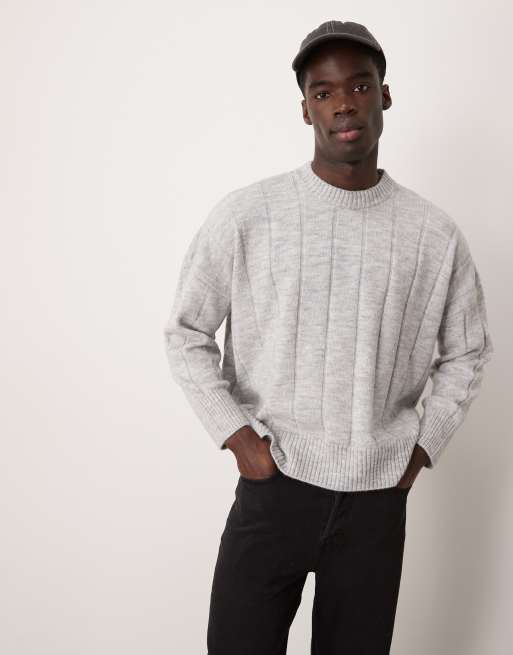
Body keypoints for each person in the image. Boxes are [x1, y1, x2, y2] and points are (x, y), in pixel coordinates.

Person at [163, 19, 494, 655]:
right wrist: (240, 438)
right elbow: (186, 332)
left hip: (376, 503)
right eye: (324, 92)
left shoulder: (433, 235)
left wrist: (420, 448)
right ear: (306, 109)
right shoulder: (249, 214)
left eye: (360, 86)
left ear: (384, 96)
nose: (344, 103)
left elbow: (468, 351)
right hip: (274, 488)